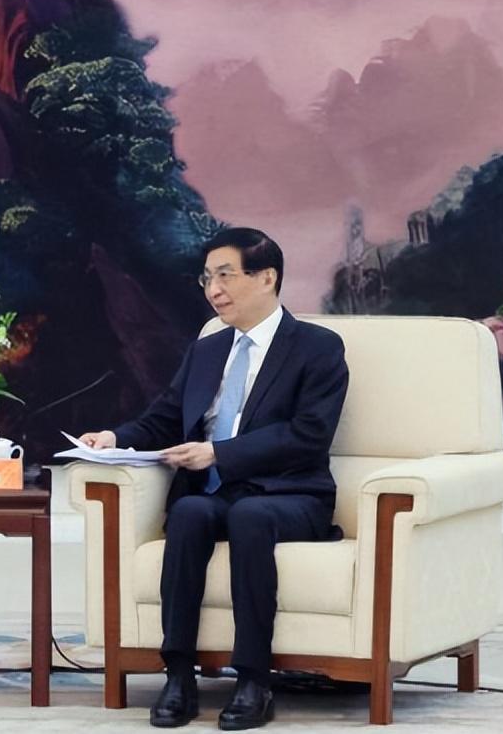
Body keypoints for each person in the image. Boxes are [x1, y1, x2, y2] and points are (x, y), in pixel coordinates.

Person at [80, 228, 348, 731]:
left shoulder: (317, 347)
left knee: (250, 516)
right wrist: (114, 438)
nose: (214, 289)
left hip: (291, 493)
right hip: (216, 493)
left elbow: (309, 434)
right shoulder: (207, 349)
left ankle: (254, 680)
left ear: (266, 278)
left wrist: (219, 453)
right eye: (207, 278)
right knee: (187, 512)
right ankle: (178, 675)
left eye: (225, 275)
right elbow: (163, 419)